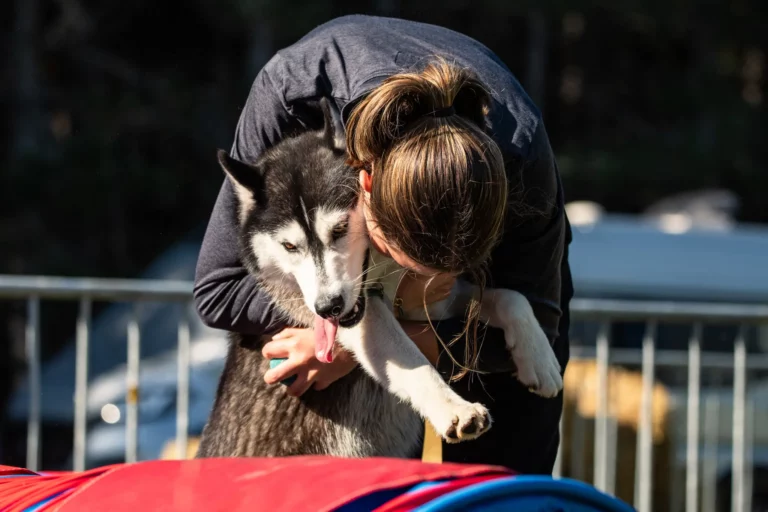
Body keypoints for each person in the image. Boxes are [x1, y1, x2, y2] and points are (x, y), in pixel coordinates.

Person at [194, 14, 573, 474]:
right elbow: (217, 289)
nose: (427, 287)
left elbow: (539, 327)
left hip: (503, 181)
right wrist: (346, 330)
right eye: (407, 265)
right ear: (364, 186)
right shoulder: (289, 93)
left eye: (446, 274)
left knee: (511, 463)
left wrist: (347, 350)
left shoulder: (524, 160)